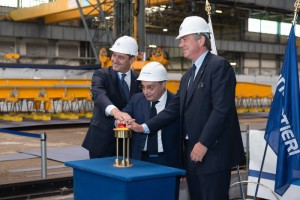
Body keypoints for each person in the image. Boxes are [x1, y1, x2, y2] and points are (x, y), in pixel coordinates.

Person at [127, 16, 245, 200]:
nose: (181, 44)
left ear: (201, 40)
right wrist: (144, 127)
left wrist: (204, 143)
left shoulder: (219, 66)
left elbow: (222, 110)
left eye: (184, 39)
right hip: (192, 154)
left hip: (212, 153)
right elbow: (173, 109)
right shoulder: (187, 76)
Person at [82, 35, 141, 158]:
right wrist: (116, 112)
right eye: (114, 55)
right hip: (101, 141)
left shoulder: (139, 81)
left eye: (121, 57)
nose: (114, 60)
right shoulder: (101, 75)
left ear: (131, 60)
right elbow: (99, 94)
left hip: (128, 143)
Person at [121, 61, 182, 169]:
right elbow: (124, 113)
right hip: (139, 160)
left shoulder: (176, 103)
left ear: (163, 84)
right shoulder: (137, 99)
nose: (145, 92)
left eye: (150, 87)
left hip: (168, 161)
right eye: (143, 87)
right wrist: (122, 119)